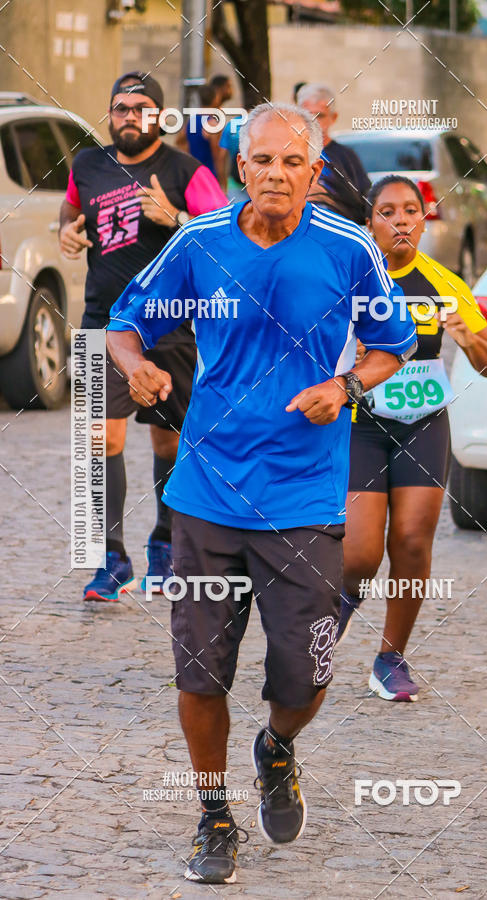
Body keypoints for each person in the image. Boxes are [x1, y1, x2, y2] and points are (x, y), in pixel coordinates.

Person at [106, 103, 417, 884]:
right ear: (241, 168)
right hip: (206, 494)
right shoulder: (199, 242)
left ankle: (276, 748)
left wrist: (343, 386)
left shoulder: (348, 249)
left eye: (292, 163)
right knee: (199, 674)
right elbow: (123, 320)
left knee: (304, 676)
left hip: (304, 501)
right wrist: (135, 365)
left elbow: (393, 346)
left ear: (315, 173)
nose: (276, 174)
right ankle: (214, 818)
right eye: (262, 161)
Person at [59, 71, 227, 601]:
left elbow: (226, 238)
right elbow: (71, 206)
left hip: (173, 324)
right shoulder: (87, 163)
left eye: (141, 107)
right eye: (120, 107)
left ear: (158, 114)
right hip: (100, 323)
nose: (129, 116)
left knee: (168, 440)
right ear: (110, 113)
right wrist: (66, 227)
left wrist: (174, 216)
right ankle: (111, 560)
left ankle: (163, 542)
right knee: (97, 441)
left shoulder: (186, 170)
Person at [337, 175, 487, 702]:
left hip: (422, 421)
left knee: (410, 540)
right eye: (388, 211)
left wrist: (469, 337)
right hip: (361, 423)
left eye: (412, 210)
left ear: (424, 220)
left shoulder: (445, 282)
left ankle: (390, 657)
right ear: (370, 222)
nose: (401, 220)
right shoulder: (348, 278)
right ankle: (324, 623)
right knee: (358, 554)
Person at [297, 82, 370, 224]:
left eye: (320, 116)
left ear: (333, 117)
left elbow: (364, 202)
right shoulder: (287, 154)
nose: (313, 121)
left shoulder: (346, 157)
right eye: (307, 115)